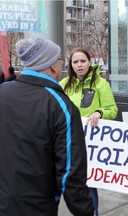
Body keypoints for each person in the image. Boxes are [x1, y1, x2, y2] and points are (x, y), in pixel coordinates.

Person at [0, 37, 94, 215]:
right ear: (53, 66)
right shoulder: (60, 105)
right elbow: (70, 173)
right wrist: (86, 211)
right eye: (61, 61)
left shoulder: (3, 91)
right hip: (38, 207)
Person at [59, 47, 118, 216]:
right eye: (75, 62)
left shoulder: (101, 84)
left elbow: (112, 109)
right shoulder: (62, 85)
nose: (79, 65)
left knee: (90, 185)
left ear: (89, 63)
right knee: (71, 185)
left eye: (83, 61)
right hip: (68, 142)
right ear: (70, 65)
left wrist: (100, 112)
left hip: (92, 145)